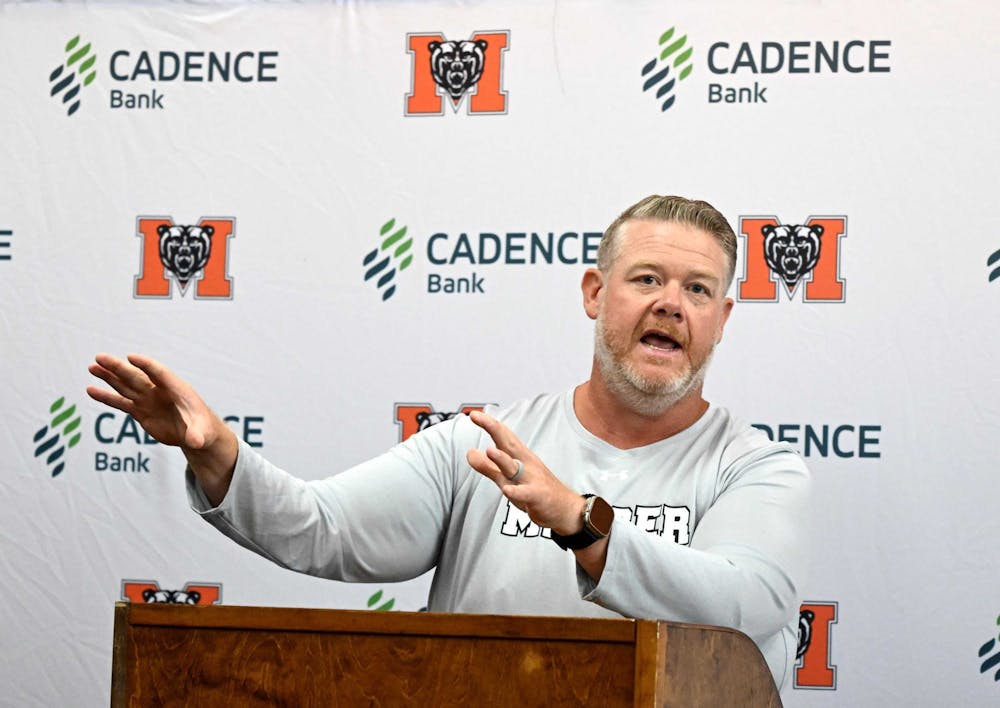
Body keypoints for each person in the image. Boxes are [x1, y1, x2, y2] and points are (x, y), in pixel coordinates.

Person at [87, 195, 809, 690]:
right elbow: (322, 529)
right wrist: (217, 455)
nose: (670, 305)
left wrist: (579, 520)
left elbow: (748, 605)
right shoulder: (482, 445)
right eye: (646, 279)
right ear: (595, 293)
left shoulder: (756, 468)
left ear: (722, 319)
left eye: (698, 290)